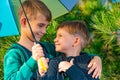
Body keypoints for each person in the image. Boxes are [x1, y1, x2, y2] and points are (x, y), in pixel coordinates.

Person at [4, 0, 102, 80]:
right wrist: (32, 61)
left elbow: (73, 53)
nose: (44, 31)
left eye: (46, 26)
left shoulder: (48, 48)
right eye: (41, 25)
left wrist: (95, 58)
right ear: (24, 22)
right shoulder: (14, 54)